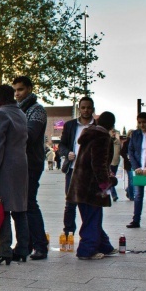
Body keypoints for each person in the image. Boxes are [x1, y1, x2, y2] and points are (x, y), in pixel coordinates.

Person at [0, 85, 29, 265]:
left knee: (1, 208)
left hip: (5, 167)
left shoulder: (1, 114)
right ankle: (23, 248)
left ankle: (4, 250)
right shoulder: (20, 113)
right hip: (20, 165)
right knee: (20, 209)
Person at [66, 111, 118, 259]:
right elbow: (99, 163)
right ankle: (86, 250)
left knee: (91, 217)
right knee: (92, 217)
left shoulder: (89, 134)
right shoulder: (102, 137)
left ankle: (104, 245)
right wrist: (105, 183)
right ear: (112, 126)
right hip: (91, 185)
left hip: (79, 183)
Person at [13, 76, 48, 260]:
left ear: (29, 89)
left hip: (31, 163)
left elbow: (31, 135)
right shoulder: (17, 110)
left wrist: (9, 129)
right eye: (15, 90)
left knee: (29, 203)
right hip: (18, 163)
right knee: (20, 205)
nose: (17, 94)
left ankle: (40, 245)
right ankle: (25, 244)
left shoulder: (37, 110)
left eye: (20, 90)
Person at [58, 97, 95, 237]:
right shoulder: (70, 125)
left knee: (88, 204)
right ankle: (68, 232)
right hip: (72, 170)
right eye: (83, 107)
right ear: (79, 108)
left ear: (93, 109)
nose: (86, 110)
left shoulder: (97, 125)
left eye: (89, 107)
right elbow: (62, 145)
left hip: (90, 172)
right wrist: (68, 153)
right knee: (70, 202)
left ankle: (88, 233)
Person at [120, 130, 134, 200]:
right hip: (128, 164)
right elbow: (122, 152)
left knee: (133, 180)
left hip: (135, 164)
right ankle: (131, 196)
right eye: (131, 134)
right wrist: (127, 157)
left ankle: (128, 190)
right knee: (131, 180)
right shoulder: (126, 143)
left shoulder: (136, 142)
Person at [109, 129, 121, 202]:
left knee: (111, 179)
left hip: (115, 163)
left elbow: (120, 151)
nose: (114, 134)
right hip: (108, 163)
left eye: (114, 132)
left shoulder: (118, 142)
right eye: (112, 132)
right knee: (110, 178)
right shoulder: (106, 141)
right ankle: (114, 195)